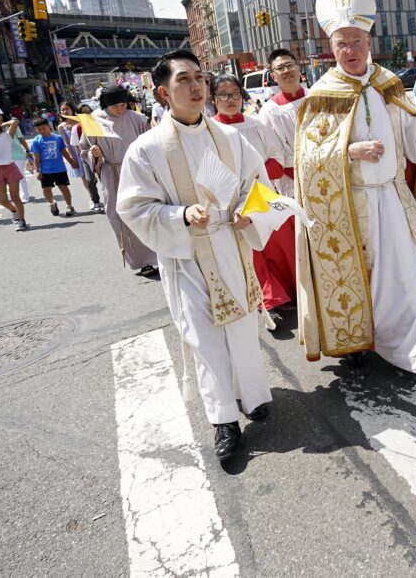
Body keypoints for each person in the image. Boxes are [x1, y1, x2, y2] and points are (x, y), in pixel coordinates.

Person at [294, 0, 416, 382]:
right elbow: (305, 159)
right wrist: (347, 151)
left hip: (392, 200)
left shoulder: (388, 85)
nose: (350, 50)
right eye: (342, 44)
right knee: (363, 281)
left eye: (357, 42)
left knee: (413, 274)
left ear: (369, 42)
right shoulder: (322, 95)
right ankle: (363, 340)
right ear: (331, 47)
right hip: (348, 207)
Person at [117, 50, 273, 464]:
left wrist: (247, 209)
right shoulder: (146, 149)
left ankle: (252, 395)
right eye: (184, 79)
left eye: (200, 77)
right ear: (163, 91)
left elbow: (258, 182)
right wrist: (181, 214)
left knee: (241, 329)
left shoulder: (230, 138)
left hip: (231, 244)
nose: (197, 86)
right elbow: (132, 207)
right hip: (186, 256)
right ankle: (223, 420)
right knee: (204, 341)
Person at [209, 73, 296, 318]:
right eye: (223, 95)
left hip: (264, 195)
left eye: (235, 94)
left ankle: (291, 291)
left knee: (281, 245)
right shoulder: (210, 131)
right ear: (214, 98)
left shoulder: (256, 125)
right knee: (252, 254)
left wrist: (255, 178)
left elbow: (278, 159)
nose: (230, 100)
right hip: (233, 203)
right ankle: (267, 300)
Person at [80, 86, 158, 277]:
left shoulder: (136, 118)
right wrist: (93, 154)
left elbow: (149, 143)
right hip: (111, 171)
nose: (120, 109)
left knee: (146, 210)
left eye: (123, 104)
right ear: (106, 104)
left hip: (138, 171)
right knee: (119, 216)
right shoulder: (93, 121)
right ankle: (139, 260)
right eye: (115, 105)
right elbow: (84, 149)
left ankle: (156, 256)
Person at [257, 50, 305, 197]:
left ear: (298, 68)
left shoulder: (317, 97)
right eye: (280, 68)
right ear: (273, 76)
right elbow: (272, 153)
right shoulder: (268, 112)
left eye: (289, 65)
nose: (286, 71)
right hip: (291, 182)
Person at [30, 116, 79, 217]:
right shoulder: (36, 141)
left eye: (44, 128)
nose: (42, 131)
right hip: (45, 171)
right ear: (36, 130)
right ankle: (52, 203)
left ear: (48, 126)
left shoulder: (57, 138)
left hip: (59, 168)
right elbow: (36, 157)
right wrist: (37, 171)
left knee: (63, 187)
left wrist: (71, 162)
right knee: (46, 190)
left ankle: (69, 206)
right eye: (39, 129)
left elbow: (63, 151)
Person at [67, 104, 105, 213]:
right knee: (90, 180)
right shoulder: (77, 128)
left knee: (105, 178)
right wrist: (87, 158)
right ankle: (95, 201)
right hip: (87, 158)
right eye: (83, 112)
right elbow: (77, 145)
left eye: (88, 111)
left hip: (102, 155)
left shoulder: (99, 124)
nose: (86, 114)